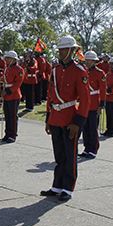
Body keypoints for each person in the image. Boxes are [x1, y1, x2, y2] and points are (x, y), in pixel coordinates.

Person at [40, 35, 90, 202]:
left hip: (70, 119)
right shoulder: (55, 70)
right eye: (59, 50)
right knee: (59, 155)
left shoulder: (80, 71)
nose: (61, 53)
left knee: (70, 156)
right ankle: (57, 186)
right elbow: (50, 95)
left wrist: (78, 122)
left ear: (72, 51)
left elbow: (85, 99)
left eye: (63, 49)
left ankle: (68, 188)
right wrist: (48, 118)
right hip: (56, 118)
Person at [80, 50, 105, 159]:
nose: (87, 62)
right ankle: (87, 148)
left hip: (94, 103)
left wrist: (101, 104)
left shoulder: (100, 73)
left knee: (93, 128)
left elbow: (103, 90)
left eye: (89, 60)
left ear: (94, 61)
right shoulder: (83, 71)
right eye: (86, 60)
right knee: (85, 128)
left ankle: (93, 149)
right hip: (85, 103)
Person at [1, 50, 24, 143]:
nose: (6, 60)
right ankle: (7, 133)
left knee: (13, 116)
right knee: (7, 116)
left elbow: (18, 83)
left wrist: (8, 91)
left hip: (13, 95)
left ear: (13, 59)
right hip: (6, 94)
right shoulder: (7, 68)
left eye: (8, 58)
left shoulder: (19, 70)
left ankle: (13, 135)